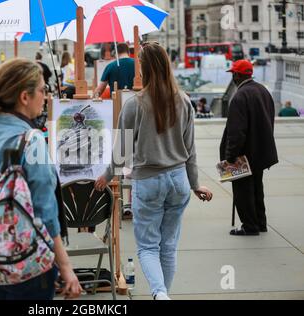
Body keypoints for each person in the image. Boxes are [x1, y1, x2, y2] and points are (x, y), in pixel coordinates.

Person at [95, 42, 213, 300]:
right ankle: (163, 295)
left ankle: (160, 294)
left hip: (149, 180)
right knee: (168, 247)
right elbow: (190, 151)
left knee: (148, 247)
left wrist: (105, 177)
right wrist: (195, 185)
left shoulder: (134, 105)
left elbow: (120, 154)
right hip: (179, 179)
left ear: (144, 69)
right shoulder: (184, 101)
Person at [0, 58, 81, 300]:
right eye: (43, 90)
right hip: (27, 263)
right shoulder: (31, 141)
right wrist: (65, 266)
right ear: (25, 97)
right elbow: (46, 212)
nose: (45, 97)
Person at [220, 59, 278, 236]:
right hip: (261, 152)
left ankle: (249, 226)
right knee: (257, 189)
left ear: (238, 75)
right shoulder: (263, 91)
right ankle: (260, 222)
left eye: (233, 74)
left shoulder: (240, 96)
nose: (233, 78)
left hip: (244, 155)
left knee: (243, 192)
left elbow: (236, 132)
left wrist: (230, 157)